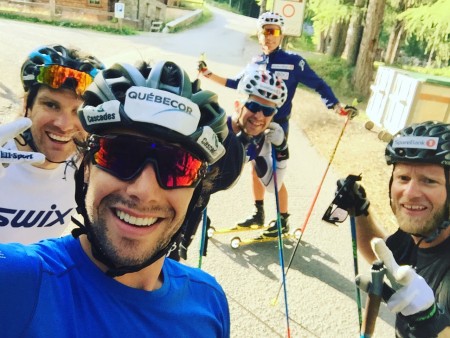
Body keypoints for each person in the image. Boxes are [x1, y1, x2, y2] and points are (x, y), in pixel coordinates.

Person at [0, 61, 230, 337]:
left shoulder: (210, 302)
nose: (143, 190)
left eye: (178, 166)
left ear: (198, 192)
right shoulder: (19, 280)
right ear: (85, 168)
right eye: (119, 154)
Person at [198, 11, 355, 234]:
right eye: (264, 32)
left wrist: (336, 106)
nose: (269, 37)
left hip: (276, 126)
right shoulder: (255, 62)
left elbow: (319, 84)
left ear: (281, 35)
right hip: (251, 125)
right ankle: (258, 213)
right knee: (249, 167)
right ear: (259, 35)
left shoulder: (294, 62)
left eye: (274, 32)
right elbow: (237, 83)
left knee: (272, 175)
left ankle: (283, 220)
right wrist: (208, 74)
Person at [332, 121, 450, 336]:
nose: (410, 192)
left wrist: (431, 320)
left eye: (429, 181)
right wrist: (360, 210)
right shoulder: (415, 234)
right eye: (403, 178)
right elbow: (383, 255)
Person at [172, 68, 289, 260]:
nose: (259, 116)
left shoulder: (260, 140)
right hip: (177, 199)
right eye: (253, 106)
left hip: (198, 204)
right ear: (238, 105)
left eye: (267, 111)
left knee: (172, 262)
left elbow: (272, 186)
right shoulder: (212, 127)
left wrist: (282, 148)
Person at [0, 44, 104, 244]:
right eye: (51, 105)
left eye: (78, 112)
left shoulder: (87, 169)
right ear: (26, 105)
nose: (64, 125)